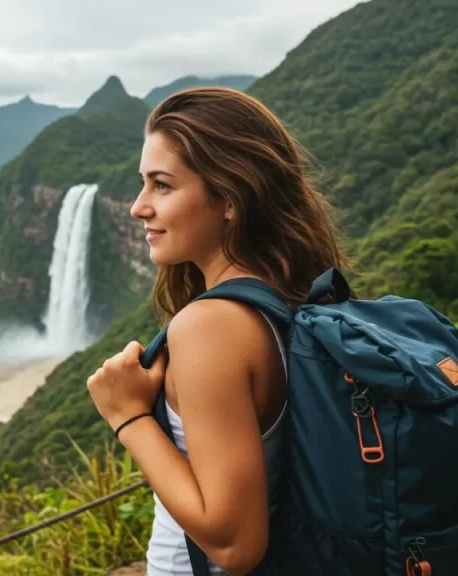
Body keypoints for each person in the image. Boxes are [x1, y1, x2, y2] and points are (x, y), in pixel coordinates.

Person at [86, 87, 352, 575]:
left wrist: (126, 416)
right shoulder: (293, 294)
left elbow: (234, 545)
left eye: (162, 185)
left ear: (229, 199)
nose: (138, 207)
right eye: (143, 183)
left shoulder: (210, 326)